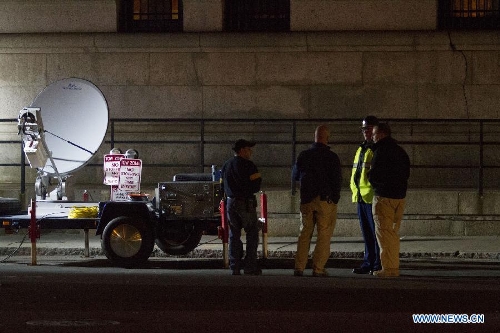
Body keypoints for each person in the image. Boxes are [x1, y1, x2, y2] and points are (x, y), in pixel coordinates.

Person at [292, 125, 342, 277]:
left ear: (315, 137)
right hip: (324, 201)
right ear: (327, 138)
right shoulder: (332, 157)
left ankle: (299, 267)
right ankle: (318, 268)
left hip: (306, 200)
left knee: (304, 233)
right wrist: (335, 198)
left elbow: (295, 175)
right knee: (324, 234)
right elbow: (337, 180)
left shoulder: (304, 155)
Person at [369, 123, 410, 278]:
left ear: (380, 134)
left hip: (384, 197)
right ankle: (393, 267)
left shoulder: (380, 152)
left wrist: (374, 182)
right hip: (399, 197)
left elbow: (374, 176)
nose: (372, 137)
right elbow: (406, 173)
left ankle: (388, 269)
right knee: (392, 234)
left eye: (373, 134)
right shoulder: (400, 151)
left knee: (383, 234)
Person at [221, 139, 263, 276]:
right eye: (248, 149)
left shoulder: (226, 165)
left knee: (234, 234)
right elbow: (257, 185)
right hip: (245, 203)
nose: (251, 152)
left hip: (230, 203)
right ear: (241, 150)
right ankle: (250, 266)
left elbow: (222, 185)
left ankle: (235, 266)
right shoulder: (249, 165)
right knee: (252, 233)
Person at [350, 116, 381, 275]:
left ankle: (377, 264)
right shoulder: (362, 148)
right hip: (361, 197)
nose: (365, 132)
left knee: (375, 234)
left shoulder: (375, 149)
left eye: (368, 128)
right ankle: (369, 262)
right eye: (363, 129)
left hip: (371, 196)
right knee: (367, 233)